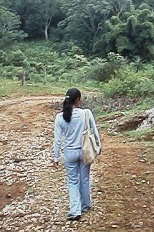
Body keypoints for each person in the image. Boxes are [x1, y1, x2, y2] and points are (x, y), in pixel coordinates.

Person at [53, 88, 101, 221]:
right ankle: (86, 205)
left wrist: (56, 157)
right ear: (78, 99)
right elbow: (94, 132)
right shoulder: (86, 113)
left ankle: (75, 211)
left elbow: (57, 140)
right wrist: (98, 147)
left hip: (70, 153)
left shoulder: (60, 117)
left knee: (73, 181)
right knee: (84, 179)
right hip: (85, 151)